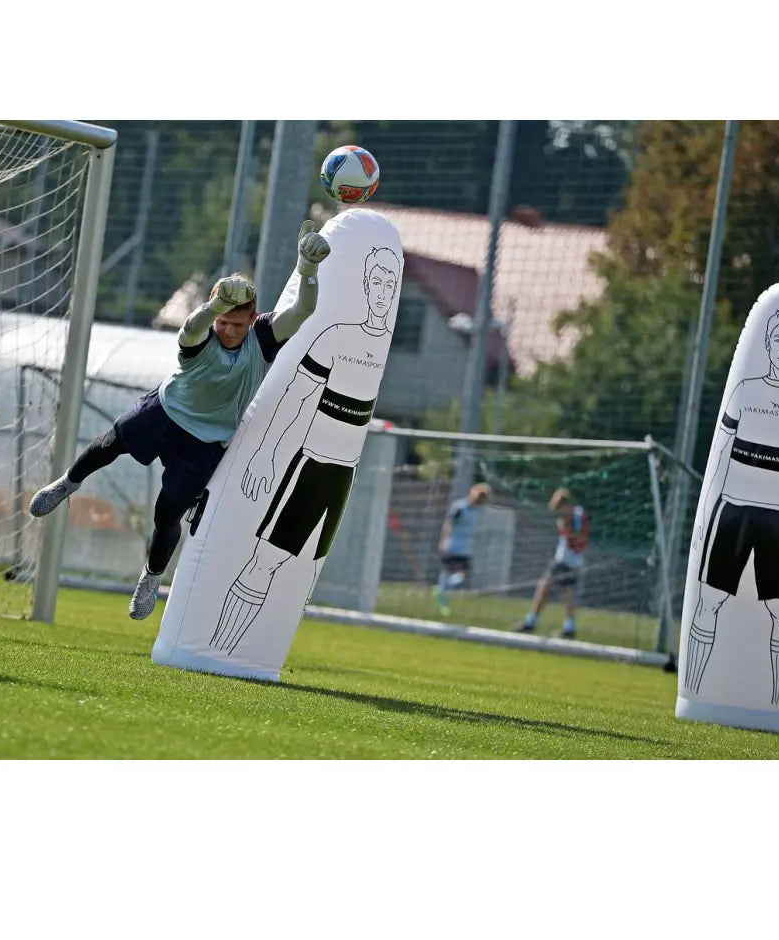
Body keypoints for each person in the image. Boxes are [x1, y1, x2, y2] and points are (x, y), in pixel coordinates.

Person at [28, 220, 330, 621]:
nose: (227, 330)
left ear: (252, 318)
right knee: (109, 444)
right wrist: (214, 308)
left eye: (236, 325)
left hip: (206, 442)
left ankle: (151, 577)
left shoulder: (263, 336)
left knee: (167, 516)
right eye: (223, 321)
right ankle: (68, 482)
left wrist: (307, 271)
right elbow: (192, 328)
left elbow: (304, 310)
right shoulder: (201, 333)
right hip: (166, 412)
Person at [209, 244, 401, 654]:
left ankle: (261, 653)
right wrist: (266, 453)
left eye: (391, 284)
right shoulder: (336, 336)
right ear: (365, 286)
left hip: (344, 474)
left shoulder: (382, 352)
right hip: (311, 467)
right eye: (377, 283)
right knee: (265, 561)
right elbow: (296, 397)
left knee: (307, 574)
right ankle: (216, 652)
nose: (384, 292)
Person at [682, 308, 779, 707]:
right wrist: (705, 514)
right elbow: (719, 454)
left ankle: (776, 705)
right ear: (767, 342)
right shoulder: (744, 391)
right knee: (708, 601)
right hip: (732, 512)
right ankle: (693, 695)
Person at [514, 487, 589, 637]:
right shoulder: (568, 517)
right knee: (546, 588)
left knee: (563, 591)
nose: (560, 514)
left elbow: (581, 539)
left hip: (570, 560)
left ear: (566, 505)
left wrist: (567, 531)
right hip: (562, 559)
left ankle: (565, 627)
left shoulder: (577, 517)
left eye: (561, 509)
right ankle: (536, 622)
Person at [434, 482, 492, 617]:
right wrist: (444, 541)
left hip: (465, 548)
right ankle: (442, 602)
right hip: (453, 545)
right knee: (449, 572)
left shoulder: (477, 510)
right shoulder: (460, 507)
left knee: (464, 574)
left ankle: (443, 587)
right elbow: (449, 524)